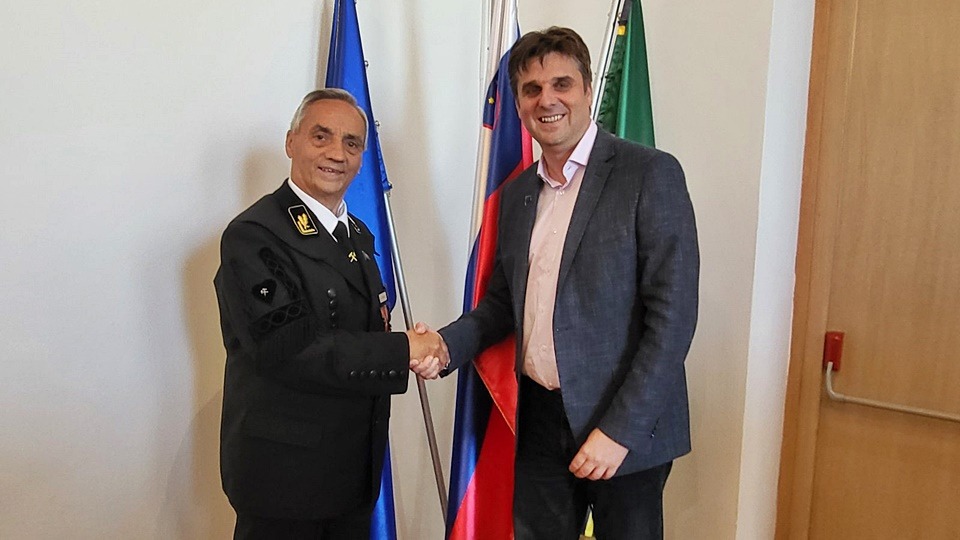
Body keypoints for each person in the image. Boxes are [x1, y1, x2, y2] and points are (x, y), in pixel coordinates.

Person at [420, 27, 699, 539]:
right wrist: (444, 345)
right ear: (519, 105)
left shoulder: (648, 174)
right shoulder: (518, 195)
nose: (546, 100)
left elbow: (673, 319)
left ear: (588, 89)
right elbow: (503, 304)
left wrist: (619, 431)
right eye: (531, 89)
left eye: (561, 84)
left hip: (624, 424)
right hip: (540, 420)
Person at [214, 88, 444, 539]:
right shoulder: (254, 236)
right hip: (284, 481)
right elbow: (289, 348)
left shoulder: (357, 235)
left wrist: (414, 349)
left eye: (351, 143)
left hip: (351, 473)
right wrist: (404, 350)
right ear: (291, 142)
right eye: (321, 137)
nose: (337, 153)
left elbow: (361, 329)